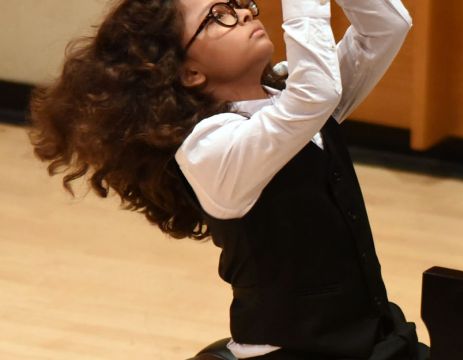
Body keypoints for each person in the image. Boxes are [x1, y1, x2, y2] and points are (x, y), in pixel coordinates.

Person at [28, 0, 427, 358]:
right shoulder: (209, 148)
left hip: (367, 335)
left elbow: (386, 27)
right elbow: (315, 93)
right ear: (189, 73)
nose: (245, 12)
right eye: (218, 15)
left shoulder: (287, 98)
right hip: (289, 350)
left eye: (238, 3)